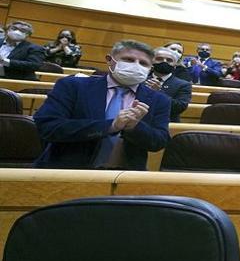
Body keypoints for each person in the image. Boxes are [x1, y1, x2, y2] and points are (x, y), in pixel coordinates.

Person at [33, 40, 170, 170]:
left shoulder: (159, 100)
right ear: (110, 60)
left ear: (150, 69)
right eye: (128, 59)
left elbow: (158, 142)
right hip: (66, 170)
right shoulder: (73, 86)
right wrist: (111, 126)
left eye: (143, 63)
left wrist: (134, 127)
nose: (136, 65)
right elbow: (47, 126)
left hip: (125, 177)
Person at [146, 46, 192, 123]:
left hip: (168, 123)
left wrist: (159, 92)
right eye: (159, 59)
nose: (164, 62)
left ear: (175, 65)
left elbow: (179, 108)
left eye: (169, 60)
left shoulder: (183, 84)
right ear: (151, 62)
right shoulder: (141, 80)